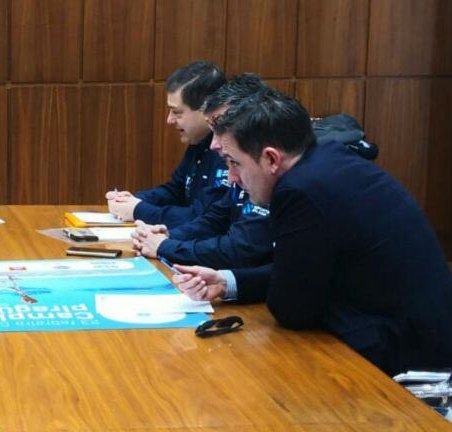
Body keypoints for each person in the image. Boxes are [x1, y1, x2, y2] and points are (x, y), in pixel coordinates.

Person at [171, 90, 452, 375]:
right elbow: (301, 273)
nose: (231, 178)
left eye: (234, 163)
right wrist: (227, 281)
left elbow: (291, 309)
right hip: (413, 332)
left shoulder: (301, 190)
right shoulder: (325, 159)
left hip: (406, 354)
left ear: (271, 159)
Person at [132, 74, 274, 269]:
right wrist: (169, 236)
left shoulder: (268, 167)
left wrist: (167, 246)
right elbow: (215, 218)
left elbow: (241, 246)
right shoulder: (227, 154)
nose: (214, 143)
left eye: (221, 128)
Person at [107, 61, 228, 227]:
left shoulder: (226, 151)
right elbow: (176, 190)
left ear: (207, 110)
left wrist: (138, 210)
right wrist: (132, 200)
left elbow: (202, 217)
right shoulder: (198, 141)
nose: (169, 120)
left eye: (177, 112)